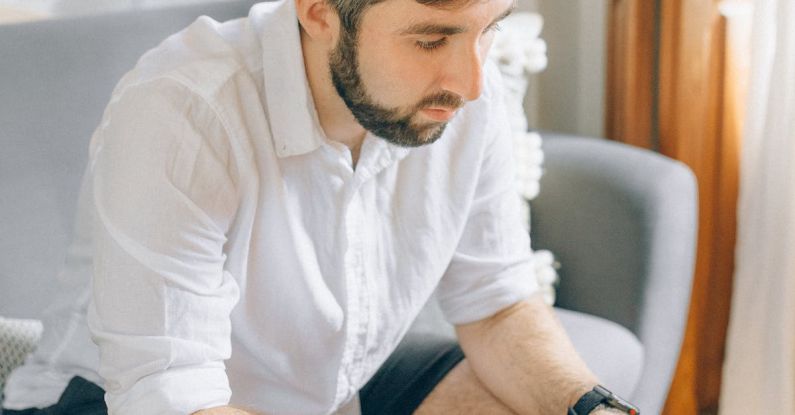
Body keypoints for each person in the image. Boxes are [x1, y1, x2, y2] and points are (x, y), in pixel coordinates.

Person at [2, 0, 639, 414]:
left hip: (324, 382)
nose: (470, 83)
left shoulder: (474, 96)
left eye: (488, 31)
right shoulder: (183, 109)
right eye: (430, 40)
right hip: (115, 397)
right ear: (317, 12)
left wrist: (593, 408)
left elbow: (497, 307)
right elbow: (172, 392)